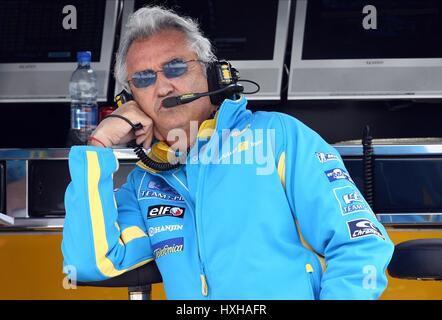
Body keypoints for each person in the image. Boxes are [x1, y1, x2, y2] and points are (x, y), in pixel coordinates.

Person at [62, 5, 394, 300]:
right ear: (129, 99)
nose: (163, 88)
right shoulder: (144, 183)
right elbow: (90, 264)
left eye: (176, 68)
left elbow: (360, 245)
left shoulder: (278, 137)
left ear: (211, 74)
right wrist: (98, 146)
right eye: (144, 78)